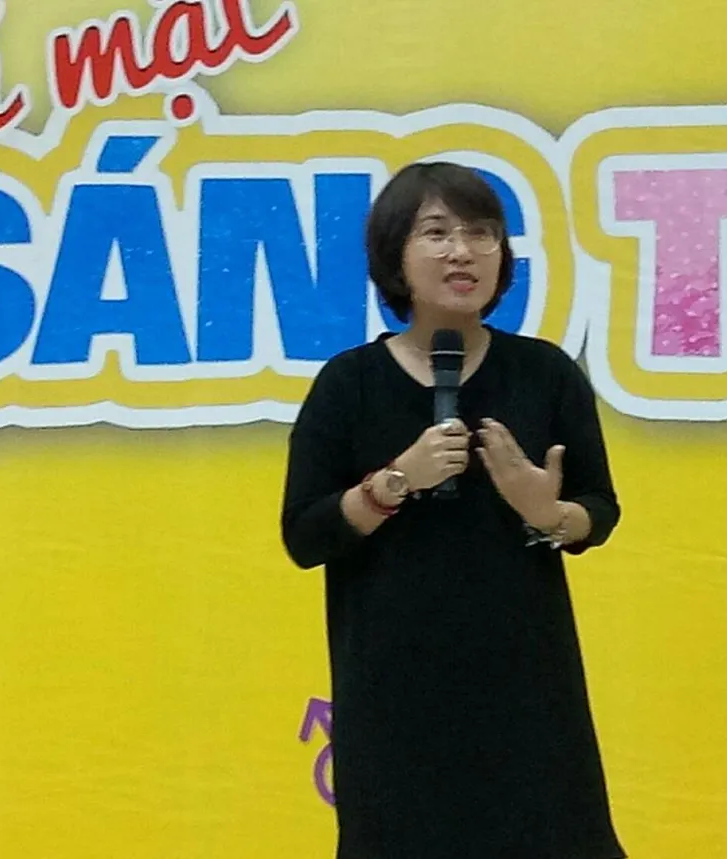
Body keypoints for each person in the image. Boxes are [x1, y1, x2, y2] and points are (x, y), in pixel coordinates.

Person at [280, 161, 625, 859]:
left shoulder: (545, 373)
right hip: (394, 689)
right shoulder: (349, 383)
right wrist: (392, 483)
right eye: (436, 233)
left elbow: (600, 509)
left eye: (481, 233)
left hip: (526, 682)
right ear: (395, 256)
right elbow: (305, 536)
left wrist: (548, 513)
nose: (462, 251)